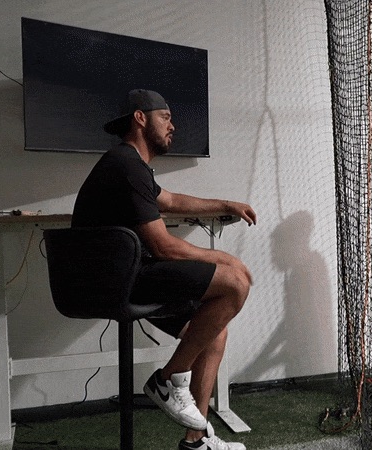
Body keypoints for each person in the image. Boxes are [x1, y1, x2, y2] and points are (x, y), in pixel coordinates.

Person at [72, 89, 254, 450]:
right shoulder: (124, 164)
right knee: (234, 283)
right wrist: (225, 259)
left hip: (125, 275)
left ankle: (195, 441)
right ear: (140, 118)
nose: (173, 125)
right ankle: (167, 379)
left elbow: (169, 200)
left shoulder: (131, 165)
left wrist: (227, 204)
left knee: (214, 332)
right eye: (165, 117)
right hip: (118, 281)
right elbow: (163, 246)